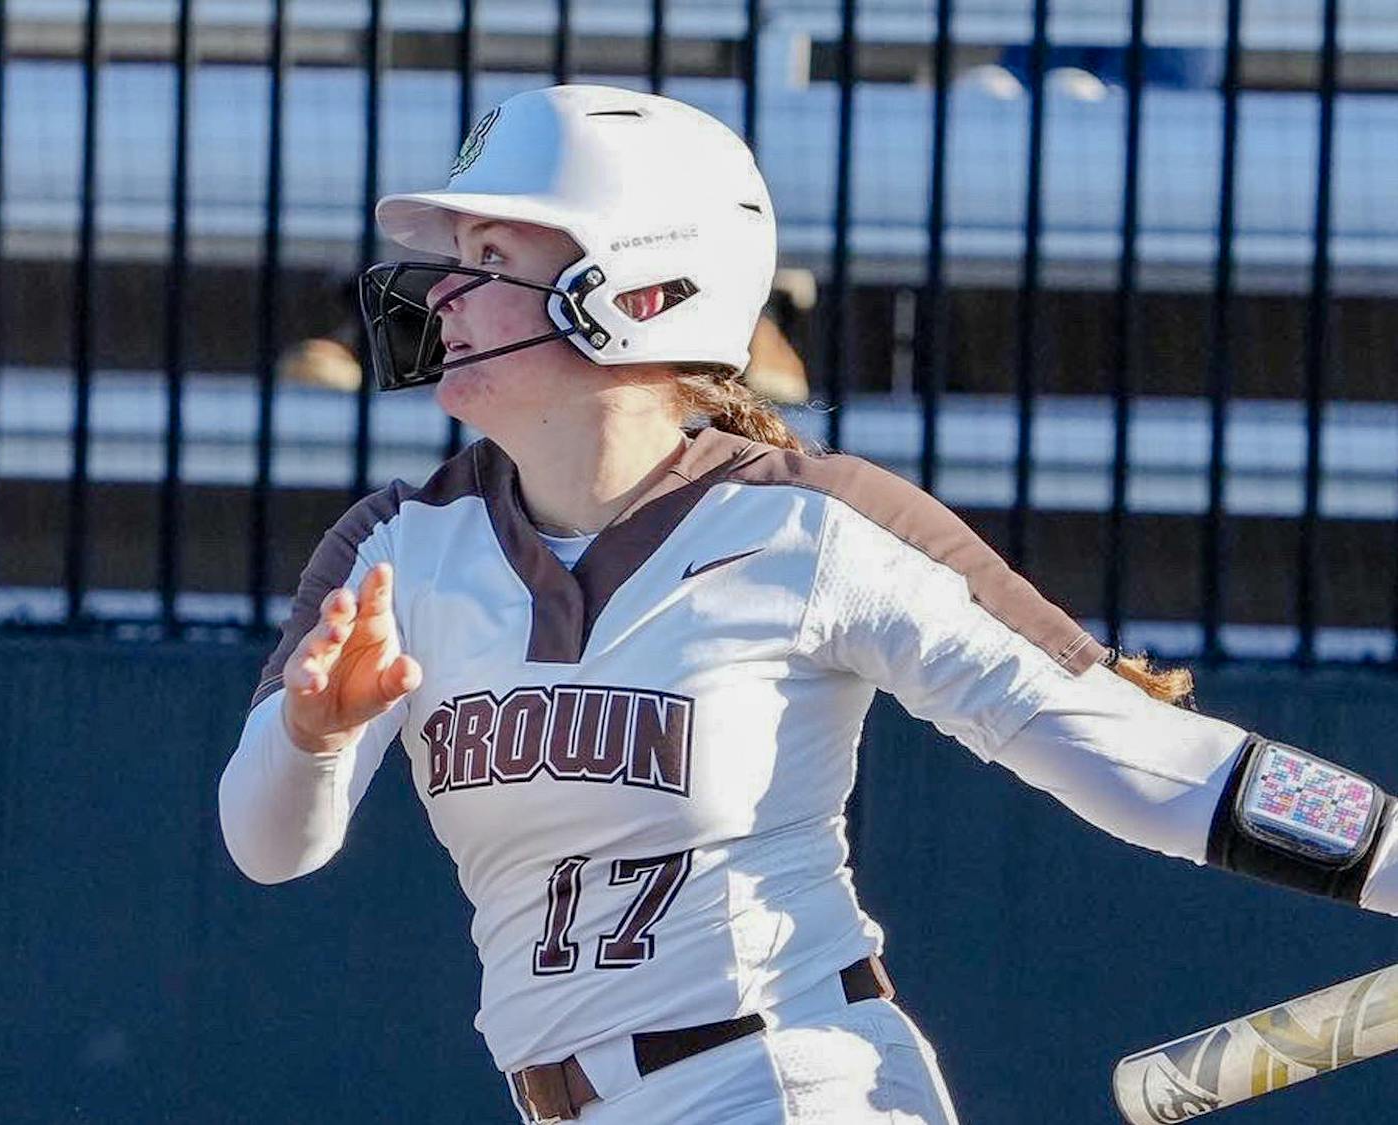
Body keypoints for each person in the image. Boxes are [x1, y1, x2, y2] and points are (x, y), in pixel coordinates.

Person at [218, 84, 1398, 1124]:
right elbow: (270, 849)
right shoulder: (400, 545)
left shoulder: (813, 525)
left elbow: (1140, 756)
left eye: (488, 255)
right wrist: (315, 735)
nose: (444, 296)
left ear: (640, 288)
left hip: (783, 1086)